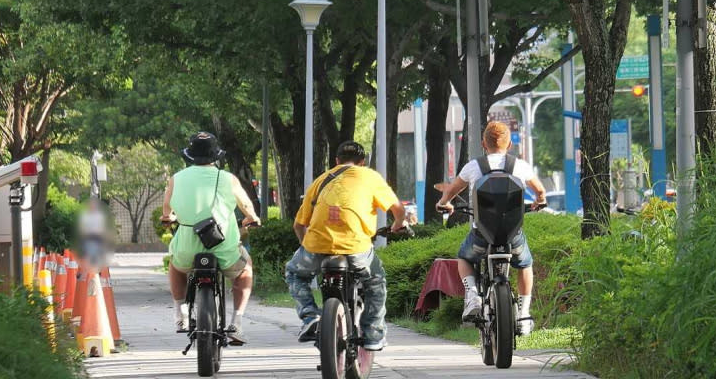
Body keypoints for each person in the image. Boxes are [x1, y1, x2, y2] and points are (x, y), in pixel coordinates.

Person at [285, 141, 407, 351]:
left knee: (295, 273)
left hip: (317, 246)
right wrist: (397, 225)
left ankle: (310, 317)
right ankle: (372, 333)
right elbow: (398, 209)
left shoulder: (321, 180)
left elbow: (299, 225)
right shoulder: (370, 176)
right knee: (376, 282)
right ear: (362, 162)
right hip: (356, 247)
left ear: (336, 161)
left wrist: (308, 248)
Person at [436, 122, 546, 336]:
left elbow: (451, 190)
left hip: (481, 236)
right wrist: (539, 200)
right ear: (510, 144)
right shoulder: (519, 166)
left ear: (483, 144)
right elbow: (540, 190)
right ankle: (523, 314)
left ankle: (473, 295)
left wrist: (444, 202)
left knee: (465, 257)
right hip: (512, 236)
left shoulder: (473, 166)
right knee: (525, 263)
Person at [161, 132, 261, 345]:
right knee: (245, 269)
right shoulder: (228, 179)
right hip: (223, 245)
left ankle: (181, 315)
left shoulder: (175, 179)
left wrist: (169, 219)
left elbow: (167, 212)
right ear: (216, 157)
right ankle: (237, 322)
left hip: (188, 248)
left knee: (176, 266)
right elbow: (246, 206)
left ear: (190, 156)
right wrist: (251, 218)